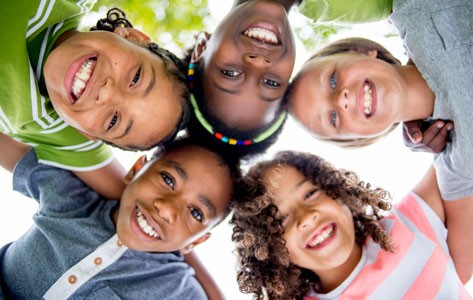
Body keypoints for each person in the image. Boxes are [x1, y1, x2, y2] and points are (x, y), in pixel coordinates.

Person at [0, 133, 240, 299]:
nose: (166, 209)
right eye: (168, 179)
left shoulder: (178, 291)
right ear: (136, 170)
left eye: (196, 212)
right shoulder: (72, 198)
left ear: (196, 241)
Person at [1, 2, 189, 199]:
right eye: (135, 78)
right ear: (133, 37)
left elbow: (129, 196)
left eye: (114, 121)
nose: (106, 94)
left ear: (86, 133)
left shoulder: (50, 125)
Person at [231, 151, 471, 299]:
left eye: (310, 193)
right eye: (281, 220)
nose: (306, 217)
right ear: (270, 252)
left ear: (337, 191)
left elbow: (458, 147)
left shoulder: (409, 222)